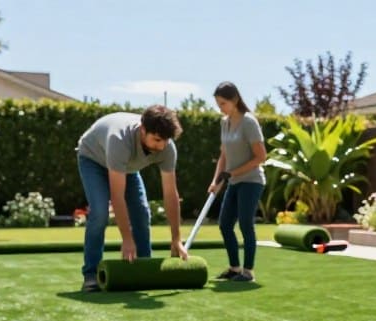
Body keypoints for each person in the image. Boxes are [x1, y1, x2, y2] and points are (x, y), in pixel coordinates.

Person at [76, 105, 188, 292]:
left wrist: (176, 238)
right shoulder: (119, 139)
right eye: (157, 140)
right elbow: (117, 196)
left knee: (142, 213)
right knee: (100, 212)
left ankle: (143, 267)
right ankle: (91, 274)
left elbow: (170, 194)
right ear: (143, 130)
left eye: (165, 141)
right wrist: (127, 239)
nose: (161, 147)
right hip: (93, 159)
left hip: (126, 167)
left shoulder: (167, 148)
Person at [209, 81, 267, 282]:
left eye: (223, 103)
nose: (221, 108)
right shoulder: (224, 122)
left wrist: (232, 173)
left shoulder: (249, 122)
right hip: (233, 181)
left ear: (234, 100)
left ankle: (248, 272)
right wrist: (217, 180)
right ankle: (234, 268)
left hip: (251, 181)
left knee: (245, 224)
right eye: (218, 104)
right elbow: (223, 155)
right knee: (225, 224)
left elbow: (261, 157)